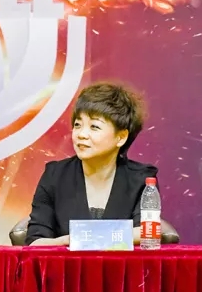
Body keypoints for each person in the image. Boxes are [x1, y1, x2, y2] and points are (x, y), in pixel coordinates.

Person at [25, 82, 158, 246]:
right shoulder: (55, 175)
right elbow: (35, 242)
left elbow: (147, 233)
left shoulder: (141, 180)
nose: (81, 134)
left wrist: (83, 237)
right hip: (67, 263)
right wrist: (67, 241)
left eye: (94, 127)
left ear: (121, 137)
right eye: (77, 125)